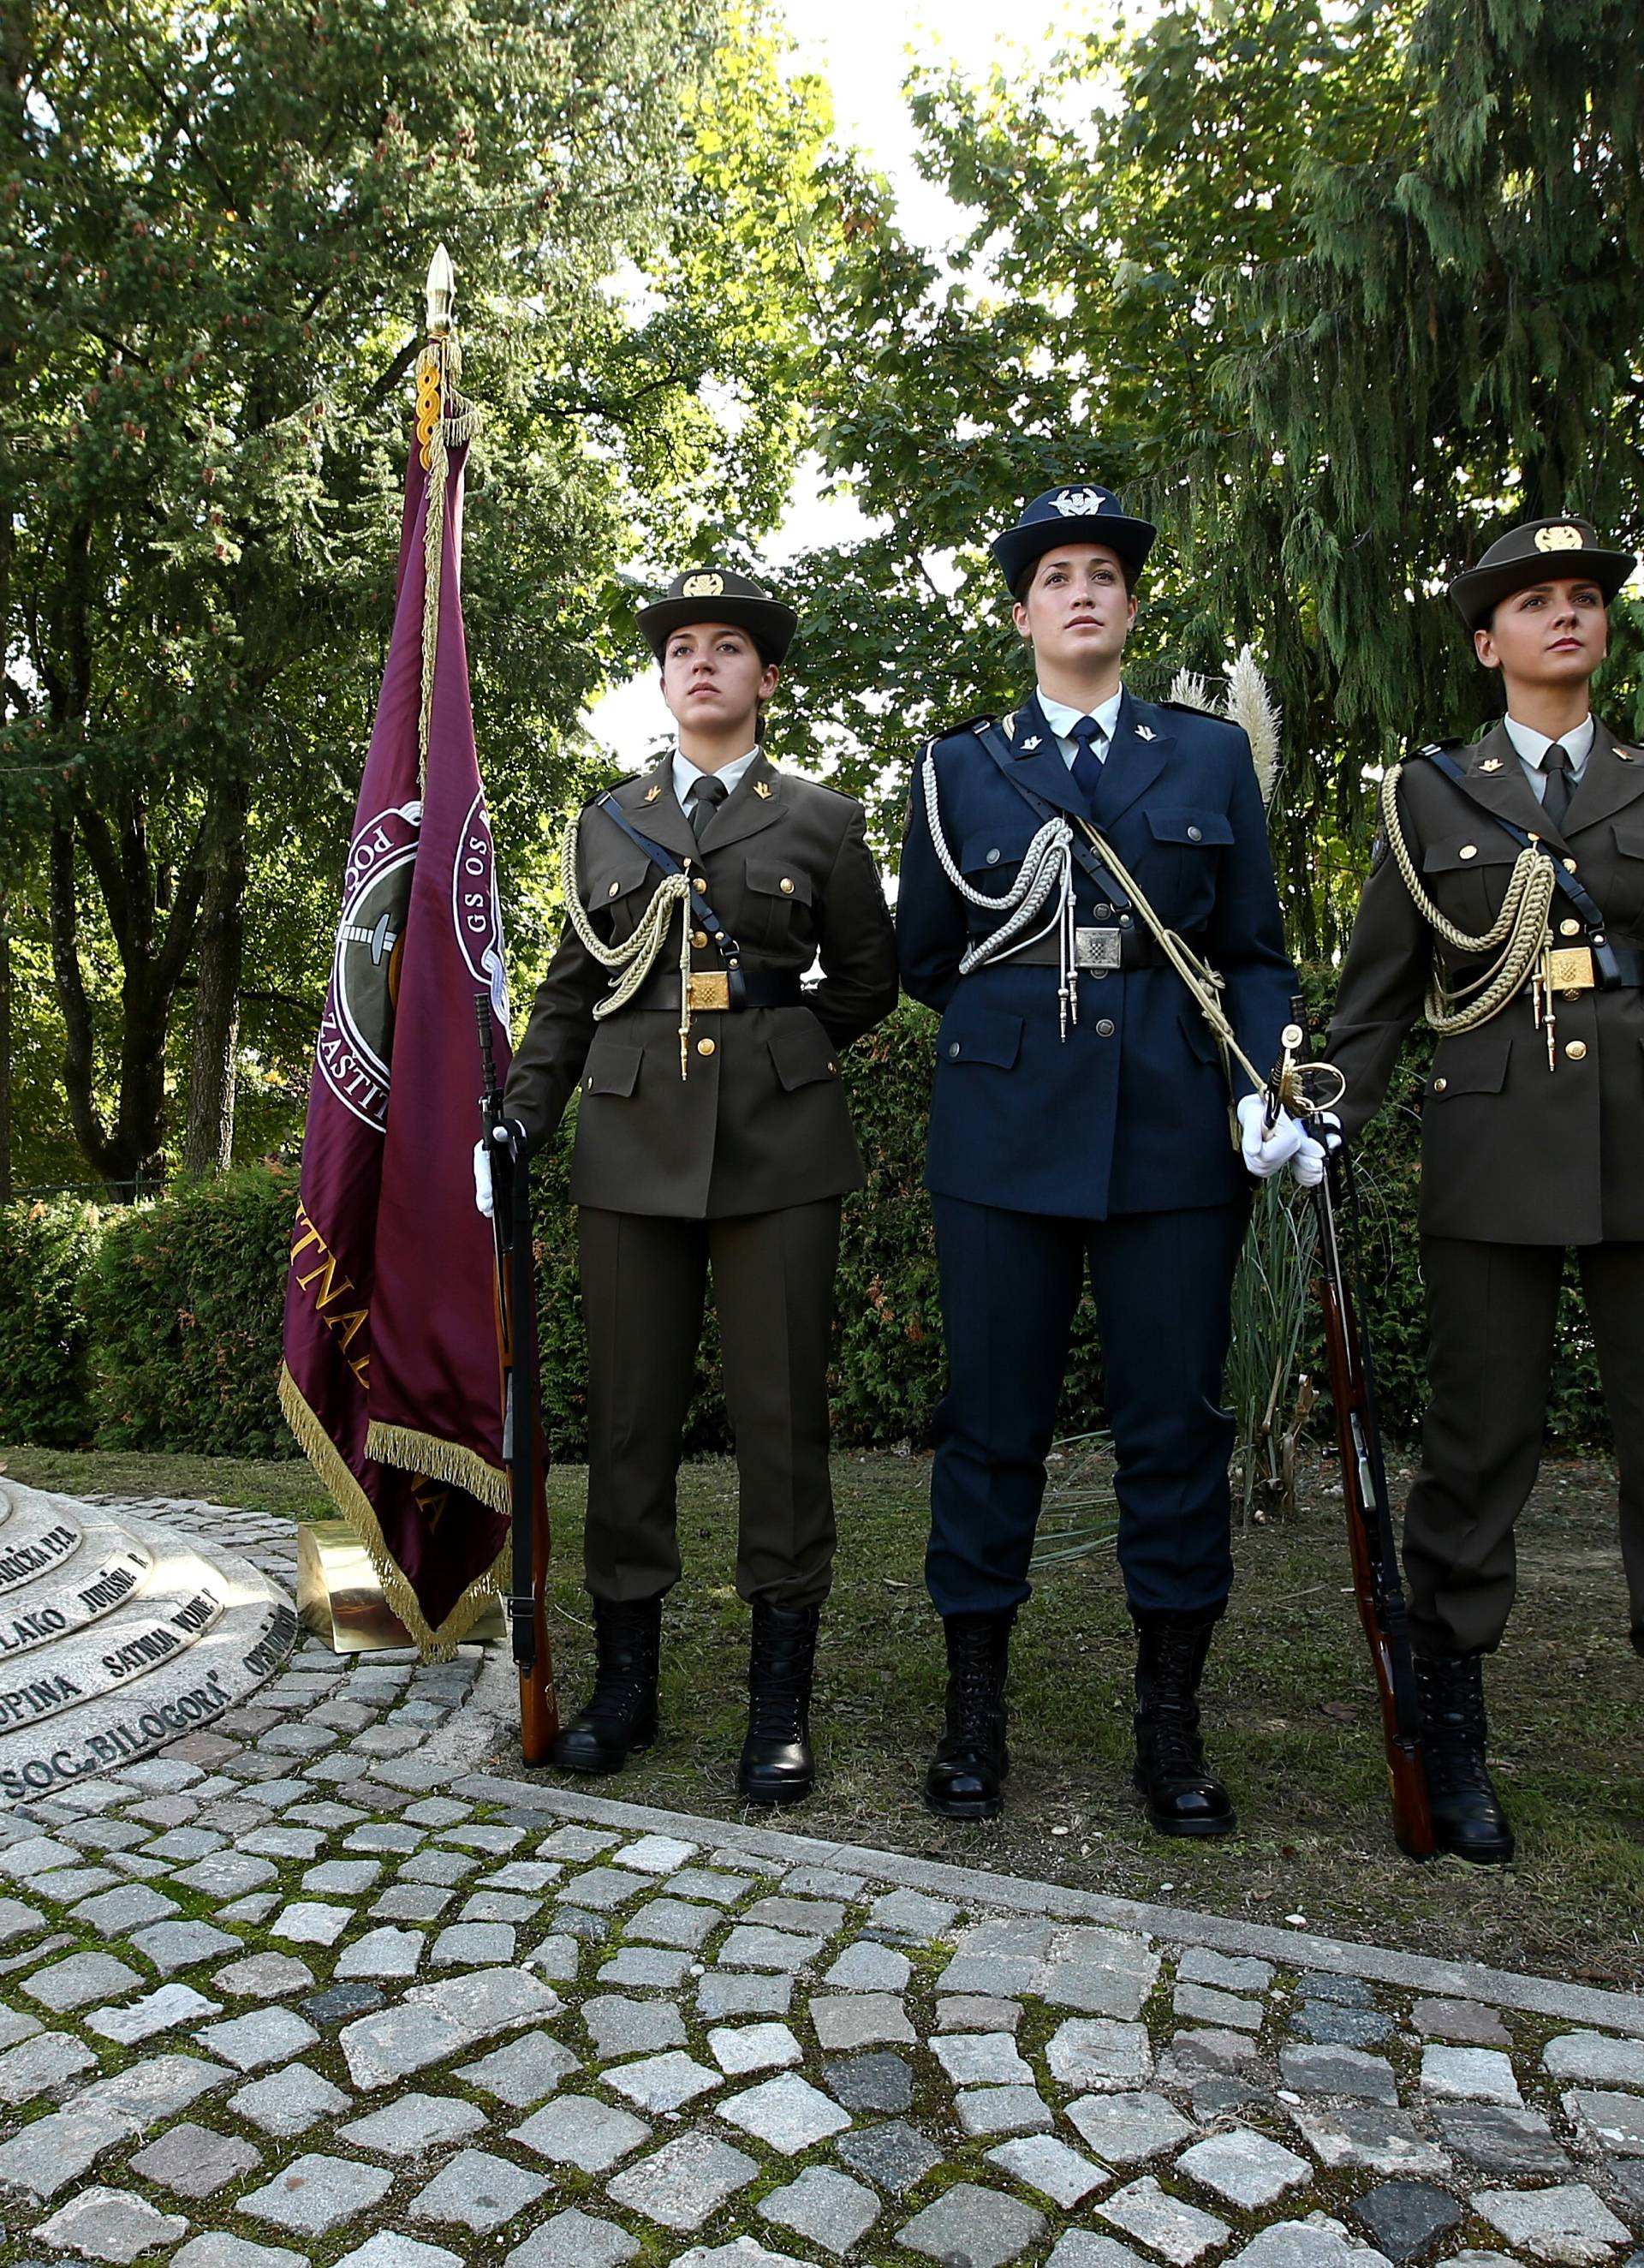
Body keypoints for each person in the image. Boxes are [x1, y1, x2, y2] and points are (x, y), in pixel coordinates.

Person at [896, 483, 1317, 1835]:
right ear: (1022, 611)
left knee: (1173, 1434)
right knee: (990, 1429)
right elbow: (923, 960)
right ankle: (973, 1721)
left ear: (1131, 609)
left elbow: (1252, 948)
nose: (1083, 591)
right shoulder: (961, 767)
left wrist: (1265, 1082)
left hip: (1173, 1136)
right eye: (1056, 574)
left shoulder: (1203, 761)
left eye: (1106, 574)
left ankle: (1171, 1731)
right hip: (1004, 1135)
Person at [488, 568, 898, 1805]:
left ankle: (780, 1704)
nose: (703, 664)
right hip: (625, 1147)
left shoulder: (821, 821)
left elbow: (868, 981)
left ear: (767, 678)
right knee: (627, 1420)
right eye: (682, 649)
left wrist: (783, 1049)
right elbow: (570, 990)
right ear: (662, 679)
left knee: (782, 1428)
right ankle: (628, 1689)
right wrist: (516, 1116)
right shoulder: (607, 821)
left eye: (729, 647)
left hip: (778, 1151)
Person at [1325, 514, 1642, 1864]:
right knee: (1478, 1445)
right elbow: (1380, 997)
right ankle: (1451, 1727)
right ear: (1485, 640)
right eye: (1534, 601)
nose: (1564, 615)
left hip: (1641, 1147)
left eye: (1584, 598)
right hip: (1494, 1149)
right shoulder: (1429, 799)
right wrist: (1320, 1116)